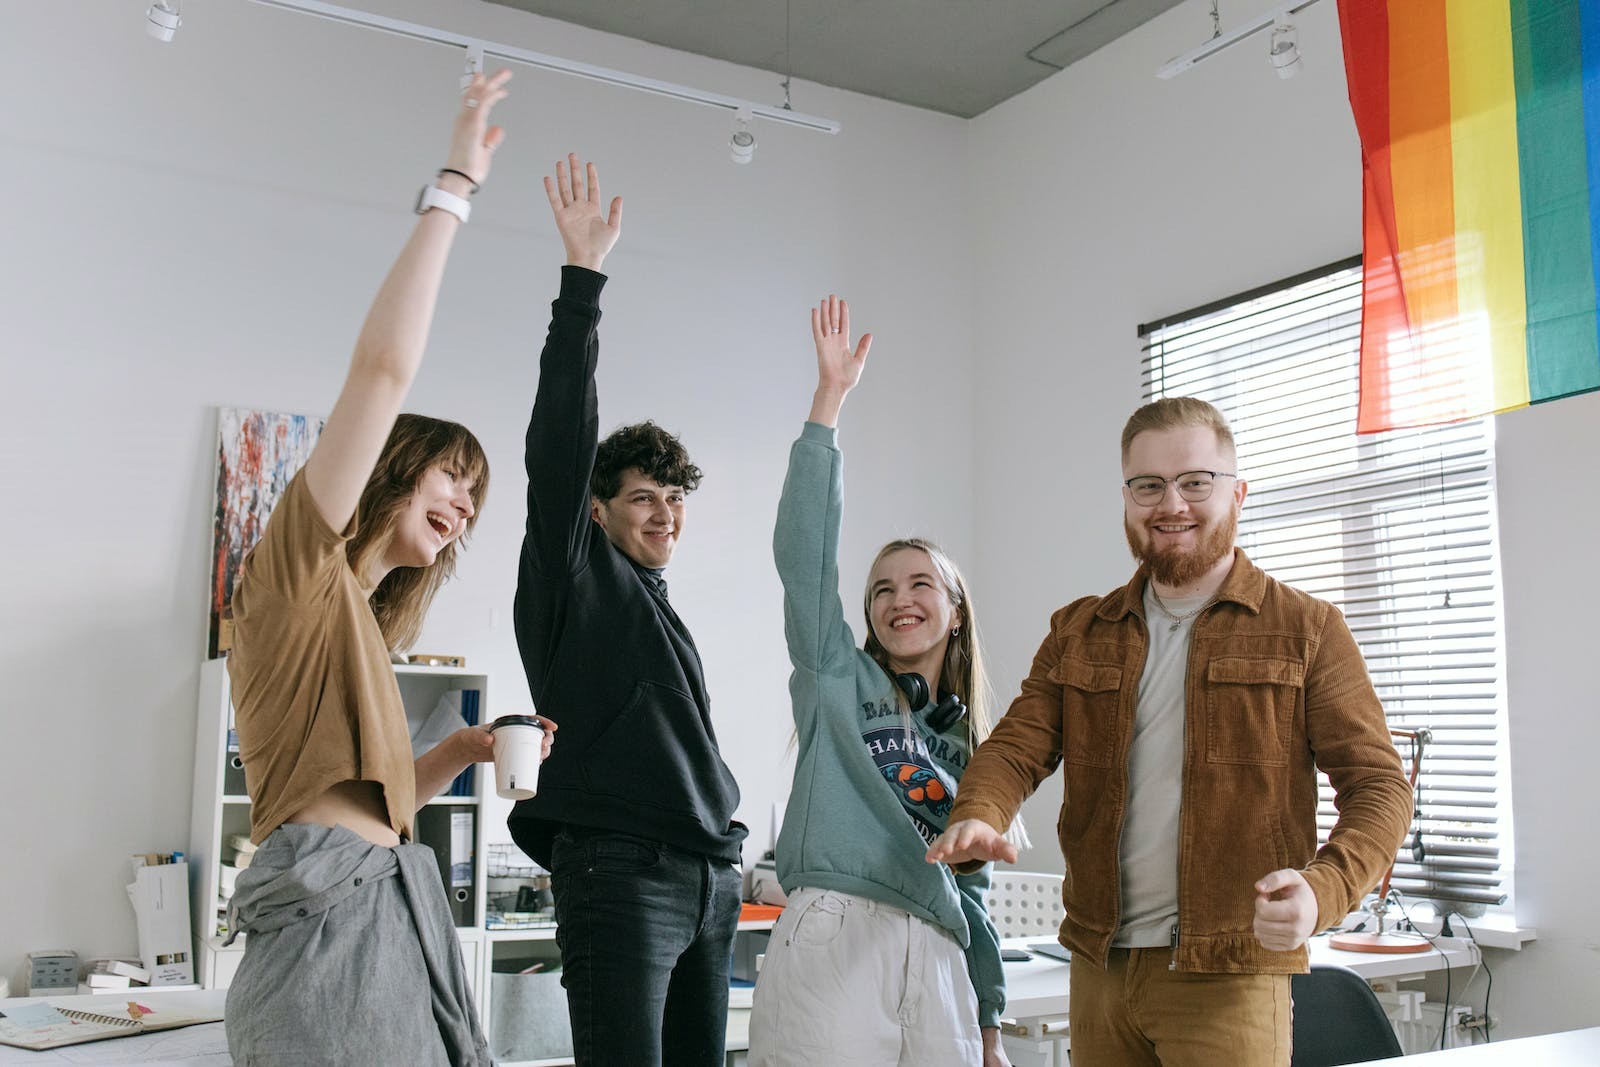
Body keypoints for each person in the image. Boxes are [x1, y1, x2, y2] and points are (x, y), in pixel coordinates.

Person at [224, 71, 554, 1065]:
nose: (459, 506)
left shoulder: (363, 626)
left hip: (392, 909)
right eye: (451, 476)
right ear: (395, 467)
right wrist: (455, 184)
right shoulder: (295, 574)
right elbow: (382, 372)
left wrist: (460, 753)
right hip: (332, 925)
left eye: (473, 497)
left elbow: (361, 795)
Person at [927, 396, 1413, 1067]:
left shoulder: (1309, 629)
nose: (1171, 503)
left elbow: (1381, 786)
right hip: (1101, 967)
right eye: (1147, 485)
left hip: (1229, 972)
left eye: (1195, 481)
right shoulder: (1079, 630)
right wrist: (980, 812)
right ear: (1126, 497)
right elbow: (1016, 747)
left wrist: (1321, 889)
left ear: (1238, 492)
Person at [508, 154, 747, 1067]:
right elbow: (559, 446)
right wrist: (582, 286)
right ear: (599, 509)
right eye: (644, 496)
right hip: (621, 871)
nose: (664, 513)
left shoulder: (658, 609)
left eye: (675, 500)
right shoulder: (575, 576)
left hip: (706, 875)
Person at [750, 295, 1010, 1067]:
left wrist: (988, 1022)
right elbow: (804, 560)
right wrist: (827, 404)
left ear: (956, 610)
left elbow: (973, 896)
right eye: (883, 588)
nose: (901, 599)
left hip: (937, 955)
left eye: (921, 583)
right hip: (836, 933)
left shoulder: (971, 741)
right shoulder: (837, 673)